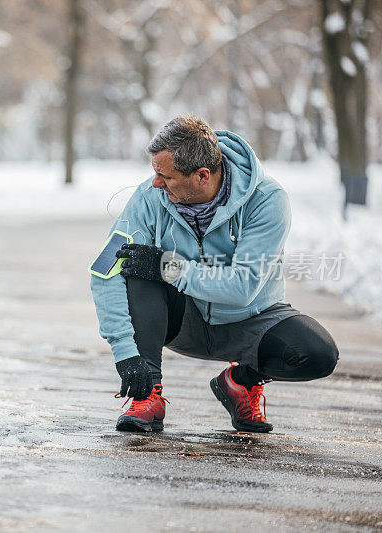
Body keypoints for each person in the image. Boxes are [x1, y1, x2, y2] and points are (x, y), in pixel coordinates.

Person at [90, 115, 339, 433]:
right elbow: (105, 269)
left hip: (250, 320)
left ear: (202, 175)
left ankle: (240, 382)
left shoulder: (267, 200)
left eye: (165, 175)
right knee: (136, 264)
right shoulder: (150, 196)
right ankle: (148, 395)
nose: (155, 183)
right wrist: (126, 352)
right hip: (182, 319)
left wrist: (169, 266)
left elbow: (243, 287)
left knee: (318, 353)